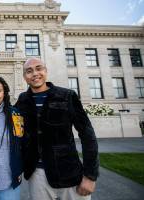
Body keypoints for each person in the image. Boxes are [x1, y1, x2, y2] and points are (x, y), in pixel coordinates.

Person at [15, 58, 99, 200]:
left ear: (45, 71)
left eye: (38, 68)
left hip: (69, 173)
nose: (35, 73)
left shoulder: (67, 96)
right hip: (37, 175)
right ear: (24, 77)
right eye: (29, 71)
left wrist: (90, 176)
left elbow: (87, 135)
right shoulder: (22, 100)